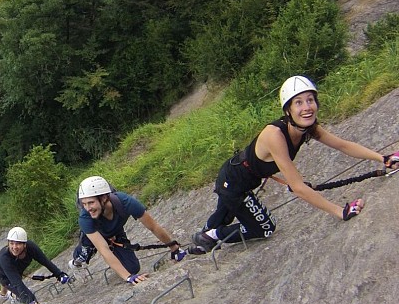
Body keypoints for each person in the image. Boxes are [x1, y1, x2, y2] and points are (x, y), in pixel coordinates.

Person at [192, 75, 399, 253]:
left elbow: (343, 145)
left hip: (239, 178)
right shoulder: (275, 135)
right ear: (288, 110)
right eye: (298, 102)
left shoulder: (307, 129)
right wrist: (340, 212)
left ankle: (202, 238)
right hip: (234, 184)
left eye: (310, 100)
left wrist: (383, 158)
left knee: (225, 215)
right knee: (265, 228)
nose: (307, 107)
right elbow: (298, 187)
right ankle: (213, 234)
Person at [70, 176, 186, 285]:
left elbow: (153, 226)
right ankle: (76, 263)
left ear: (104, 198)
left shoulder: (124, 202)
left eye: (91, 202)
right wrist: (128, 277)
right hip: (94, 236)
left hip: (115, 232)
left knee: (132, 269)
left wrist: (174, 249)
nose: (88, 208)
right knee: (84, 255)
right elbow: (104, 250)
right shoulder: (85, 218)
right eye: (84, 203)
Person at [0, 227, 70, 304]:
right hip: (3, 274)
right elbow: (16, 282)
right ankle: (11, 295)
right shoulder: (4, 257)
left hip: (18, 269)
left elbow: (45, 261)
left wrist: (59, 275)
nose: (14, 247)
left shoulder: (31, 247)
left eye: (18, 244)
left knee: (16, 285)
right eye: (11, 243)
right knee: (22, 293)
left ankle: (3, 294)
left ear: (24, 244)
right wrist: (29, 300)